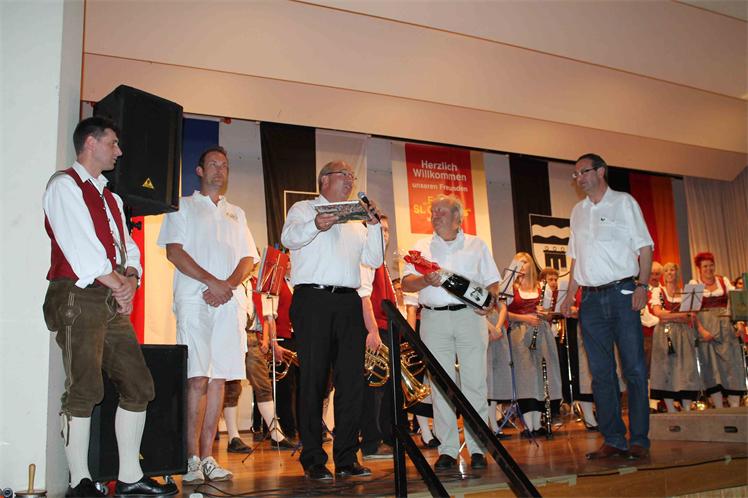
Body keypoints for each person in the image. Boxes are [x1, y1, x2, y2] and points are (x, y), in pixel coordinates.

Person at [42, 117, 177, 497]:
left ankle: (130, 476)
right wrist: (121, 284)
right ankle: (80, 482)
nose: (119, 151)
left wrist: (130, 278)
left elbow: (128, 249)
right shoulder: (64, 186)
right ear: (90, 143)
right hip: (79, 296)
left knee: (139, 385)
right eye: (113, 143)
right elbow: (82, 252)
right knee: (84, 387)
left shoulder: (112, 198)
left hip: (109, 297)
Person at [158, 146, 259, 484]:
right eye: (213, 164)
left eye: (225, 165)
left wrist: (226, 286)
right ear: (199, 170)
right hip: (194, 298)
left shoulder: (236, 213)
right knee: (197, 377)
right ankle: (189, 459)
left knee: (219, 379)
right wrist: (211, 282)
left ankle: (208, 457)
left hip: (228, 301)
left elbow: (248, 258)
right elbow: (174, 252)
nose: (220, 170)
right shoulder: (182, 206)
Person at [281, 160, 382, 480]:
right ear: (324, 180)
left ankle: (347, 457)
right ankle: (313, 457)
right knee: (313, 378)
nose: (350, 181)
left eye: (353, 176)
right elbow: (288, 238)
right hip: (313, 299)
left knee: (351, 381)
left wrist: (375, 225)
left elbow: (374, 259)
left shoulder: (356, 220)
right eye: (344, 175)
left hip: (349, 301)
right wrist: (316, 224)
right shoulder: (304, 208)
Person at [560, 153, 654, 461]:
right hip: (589, 300)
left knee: (634, 369)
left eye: (584, 172)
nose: (579, 178)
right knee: (600, 373)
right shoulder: (577, 212)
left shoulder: (624, 203)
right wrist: (569, 295)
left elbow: (645, 247)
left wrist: (642, 285)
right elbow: (576, 260)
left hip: (623, 292)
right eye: (575, 174)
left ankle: (639, 439)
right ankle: (614, 438)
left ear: (601, 171)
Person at [402, 195, 500, 472]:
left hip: (470, 317)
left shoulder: (477, 245)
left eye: (441, 211)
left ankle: (478, 447)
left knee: (474, 383)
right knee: (440, 386)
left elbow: (492, 282)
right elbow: (406, 284)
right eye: (433, 211)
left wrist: (489, 302)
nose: (435, 216)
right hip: (433, 318)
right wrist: (424, 279)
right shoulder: (421, 246)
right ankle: (447, 449)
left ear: (458, 217)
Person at [221, 277, 295, 454]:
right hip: (232, 335)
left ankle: (276, 434)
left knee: (263, 385)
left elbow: (266, 315)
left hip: (253, 337)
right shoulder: (230, 280)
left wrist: (267, 340)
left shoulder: (257, 283)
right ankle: (233, 437)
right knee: (232, 387)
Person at [504, 253, 563, 436]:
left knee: (541, 375)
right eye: (518, 263)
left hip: (541, 333)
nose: (521, 266)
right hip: (519, 333)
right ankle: (528, 425)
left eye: (524, 263)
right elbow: (503, 313)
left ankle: (537, 424)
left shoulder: (542, 287)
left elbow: (549, 315)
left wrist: (543, 313)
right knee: (525, 377)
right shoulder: (510, 287)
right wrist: (524, 318)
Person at [359, 215, 397, 460]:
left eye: (386, 230)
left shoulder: (381, 262)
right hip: (374, 330)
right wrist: (372, 331)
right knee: (374, 389)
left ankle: (386, 437)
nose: (384, 234)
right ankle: (371, 443)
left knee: (385, 388)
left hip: (386, 329)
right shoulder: (367, 259)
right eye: (379, 230)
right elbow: (364, 297)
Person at [690, 252, 746, 408]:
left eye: (711, 265)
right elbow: (691, 312)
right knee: (711, 368)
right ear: (699, 268)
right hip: (706, 329)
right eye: (705, 266)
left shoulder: (724, 281)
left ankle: (735, 407)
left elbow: (736, 304)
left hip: (725, 328)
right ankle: (719, 409)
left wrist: (739, 323)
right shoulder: (694, 284)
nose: (709, 269)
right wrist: (701, 330)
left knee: (731, 365)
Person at [649, 263, 700, 412]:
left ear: (677, 273)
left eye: (672, 270)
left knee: (686, 368)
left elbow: (691, 316)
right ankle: (671, 409)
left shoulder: (685, 292)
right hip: (665, 334)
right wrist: (680, 315)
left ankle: (687, 407)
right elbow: (659, 313)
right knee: (667, 368)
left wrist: (671, 315)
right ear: (663, 275)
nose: (670, 273)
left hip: (684, 334)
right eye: (666, 271)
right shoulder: (659, 291)